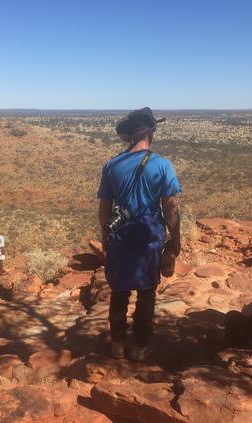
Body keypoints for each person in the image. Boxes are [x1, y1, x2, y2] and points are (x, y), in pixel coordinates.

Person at [97, 107, 181, 360]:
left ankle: (118, 345)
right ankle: (140, 347)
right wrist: (174, 244)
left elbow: (104, 208)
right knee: (146, 293)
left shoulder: (112, 166)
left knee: (119, 291)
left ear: (128, 137)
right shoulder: (162, 165)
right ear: (151, 133)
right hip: (149, 235)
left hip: (120, 234)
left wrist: (105, 237)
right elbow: (171, 208)